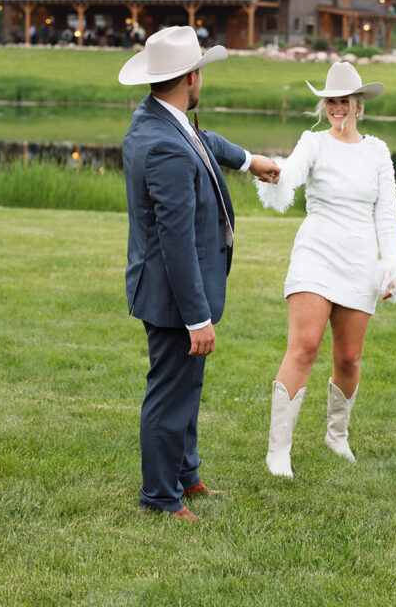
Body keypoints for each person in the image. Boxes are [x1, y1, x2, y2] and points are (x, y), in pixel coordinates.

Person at [119, 26, 280, 520]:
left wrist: (251, 161)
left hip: (173, 291)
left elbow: (205, 140)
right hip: (172, 295)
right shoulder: (164, 143)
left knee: (187, 386)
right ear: (192, 76)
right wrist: (197, 318)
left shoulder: (163, 120)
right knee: (169, 392)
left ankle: (186, 477)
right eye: (201, 72)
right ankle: (160, 498)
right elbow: (176, 240)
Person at [255, 61, 396, 478]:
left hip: (360, 260)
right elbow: (289, 175)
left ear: (358, 104)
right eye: (330, 101)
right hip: (316, 253)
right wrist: (275, 177)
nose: (337, 108)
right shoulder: (313, 143)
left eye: (344, 101)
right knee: (304, 347)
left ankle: (336, 436)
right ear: (324, 105)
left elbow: (387, 214)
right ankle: (278, 451)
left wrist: (391, 264)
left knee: (350, 357)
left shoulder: (377, 151)